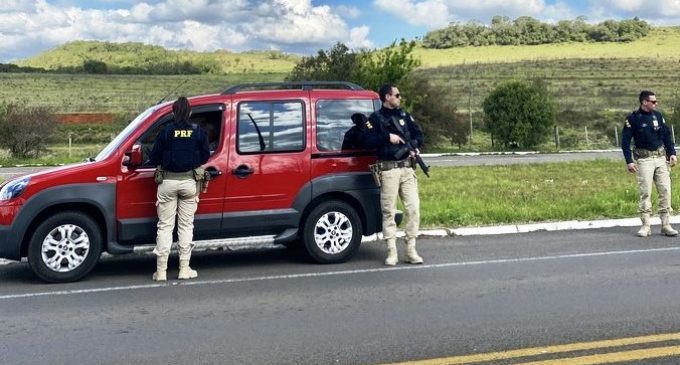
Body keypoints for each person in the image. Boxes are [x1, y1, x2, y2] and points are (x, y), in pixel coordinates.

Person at [148, 96, 210, 281]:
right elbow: (205, 157)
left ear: (173, 113)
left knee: (165, 226)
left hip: (167, 183)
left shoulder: (166, 132)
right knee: (185, 226)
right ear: (189, 112)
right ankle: (184, 269)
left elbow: (154, 158)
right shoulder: (198, 132)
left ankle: (161, 272)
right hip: (189, 183)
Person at [364, 84, 424, 266]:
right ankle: (392, 251)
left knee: (414, 208)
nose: (400, 98)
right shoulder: (375, 119)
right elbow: (367, 141)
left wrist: (414, 147)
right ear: (387, 97)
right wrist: (386, 137)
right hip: (389, 169)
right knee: (389, 211)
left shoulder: (404, 115)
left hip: (407, 168)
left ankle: (410, 249)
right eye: (397, 95)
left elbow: (418, 134)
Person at [622, 90, 678, 237]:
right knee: (645, 192)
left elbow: (666, 135)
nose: (656, 103)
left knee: (665, 190)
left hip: (660, 158)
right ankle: (646, 225)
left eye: (656, 101)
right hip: (644, 159)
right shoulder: (633, 119)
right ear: (644, 102)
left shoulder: (658, 116)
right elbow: (625, 141)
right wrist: (629, 161)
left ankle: (666, 224)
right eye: (653, 101)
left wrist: (672, 153)